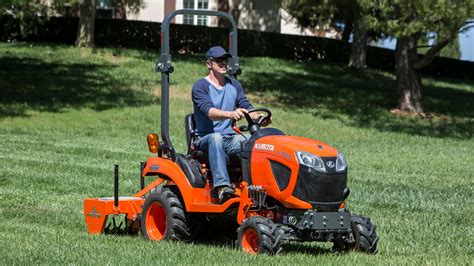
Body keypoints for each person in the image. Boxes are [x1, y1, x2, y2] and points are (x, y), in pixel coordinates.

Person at [192, 46, 267, 203]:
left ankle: (257, 187)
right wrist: (230, 114)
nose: (224, 63)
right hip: (205, 139)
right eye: (219, 60)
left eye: (225, 60)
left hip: (230, 138)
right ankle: (222, 187)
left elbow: (246, 106)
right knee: (216, 138)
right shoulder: (200, 86)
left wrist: (259, 117)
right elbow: (209, 111)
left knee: (254, 143)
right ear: (209, 64)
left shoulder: (234, 85)